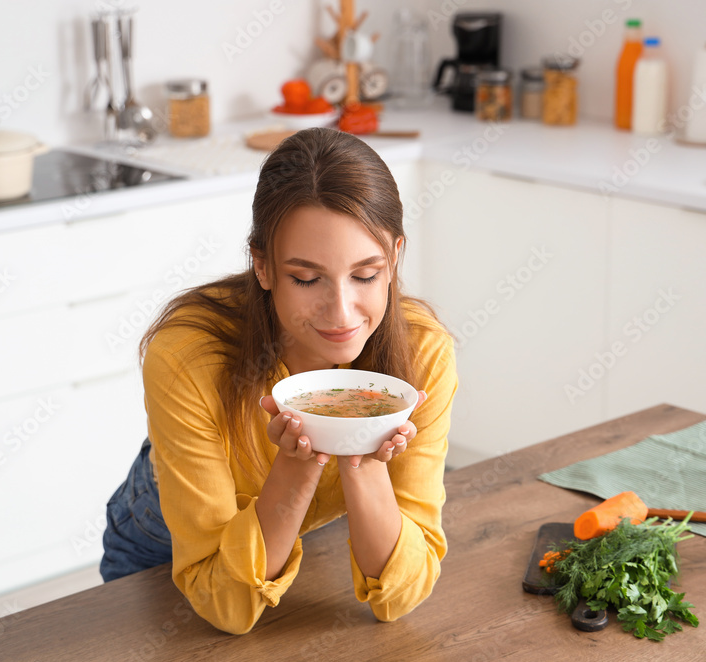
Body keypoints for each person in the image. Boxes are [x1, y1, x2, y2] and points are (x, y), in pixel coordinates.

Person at [99, 127, 458, 635]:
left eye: (366, 274)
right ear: (263, 265)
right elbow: (225, 608)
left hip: (306, 534)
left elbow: (401, 596)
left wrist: (362, 455)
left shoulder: (423, 352)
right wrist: (298, 462)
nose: (341, 312)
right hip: (163, 546)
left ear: (394, 258)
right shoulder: (187, 355)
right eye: (306, 278)